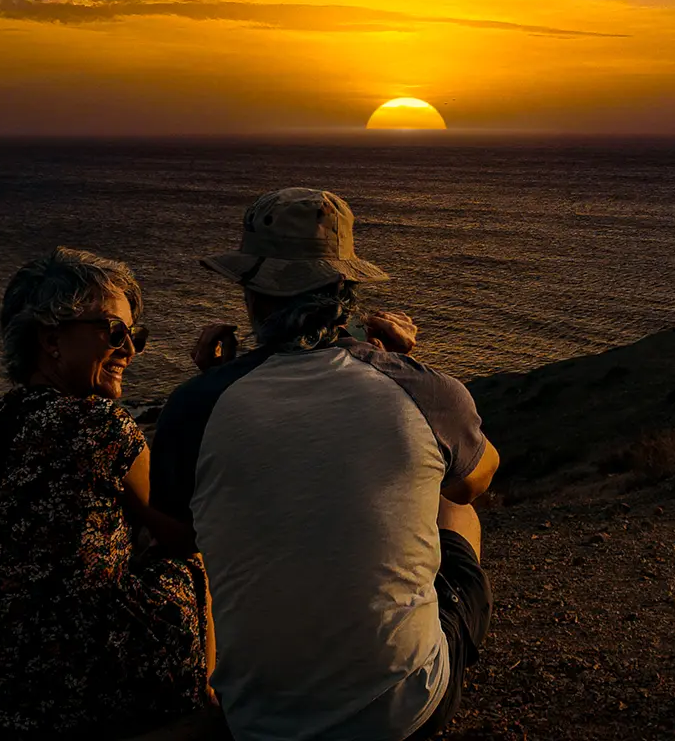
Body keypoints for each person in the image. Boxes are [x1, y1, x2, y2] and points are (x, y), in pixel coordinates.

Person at [151, 188, 499, 741]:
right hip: (404, 711)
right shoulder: (421, 389)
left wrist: (209, 382)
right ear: (347, 289)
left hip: (258, 719)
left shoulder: (196, 405)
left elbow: (176, 537)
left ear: (253, 295)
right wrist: (407, 369)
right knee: (457, 512)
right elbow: (477, 478)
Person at [0, 247, 211, 741]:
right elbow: (182, 533)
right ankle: (205, 702)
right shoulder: (99, 424)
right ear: (52, 339)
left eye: (135, 335)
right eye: (114, 332)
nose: (130, 350)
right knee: (193, 563)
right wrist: (211, 387)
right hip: (76, 659)